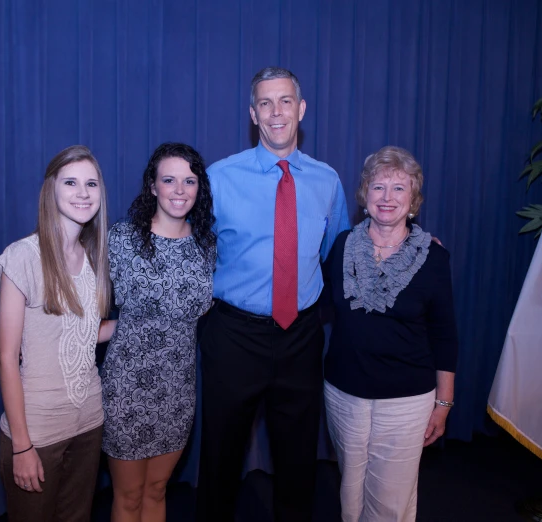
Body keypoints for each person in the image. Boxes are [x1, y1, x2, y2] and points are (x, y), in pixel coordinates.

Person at [196, 67, 349, 522]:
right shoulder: (219, 177)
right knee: (221, 458)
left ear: (301, 109)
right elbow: (191, 248)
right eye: (265, 103)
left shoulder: (327, 181)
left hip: (301, 335)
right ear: (252, 114)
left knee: (299, 461)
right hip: (234, 335)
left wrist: (412, 241)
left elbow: (338, 251)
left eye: (285, 101)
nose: (276, 112)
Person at [322, 146, 458, 522]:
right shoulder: (341, 247)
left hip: (406, 399)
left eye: (399, 189)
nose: (387, 198)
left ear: (413, 200)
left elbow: (445, 334)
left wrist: (444, 404)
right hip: (343, 392)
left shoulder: (433, 257)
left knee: (389, 503)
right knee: (349, 493)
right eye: (379, 187)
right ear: (364, 195)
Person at [0, 145, 112, 522]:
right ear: (51, 190)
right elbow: (6, 358)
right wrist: (22, 446)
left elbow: (81, 335)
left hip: (90, 422)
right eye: (71, 182)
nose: (83, 192)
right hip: (38, 431)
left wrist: (141, 324)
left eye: (91, 183)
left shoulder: (94, 257)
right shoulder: (23, 256)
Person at [101, 142, 216, 522]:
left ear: (200, 188)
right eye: (169, 180)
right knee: (129, 495)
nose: (180, 190)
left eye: (189, 180)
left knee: (156, 490)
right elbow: (87, 308)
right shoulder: (121, 239)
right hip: (126, 388)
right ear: (152, 186)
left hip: (177, 389)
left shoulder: (207, 246)